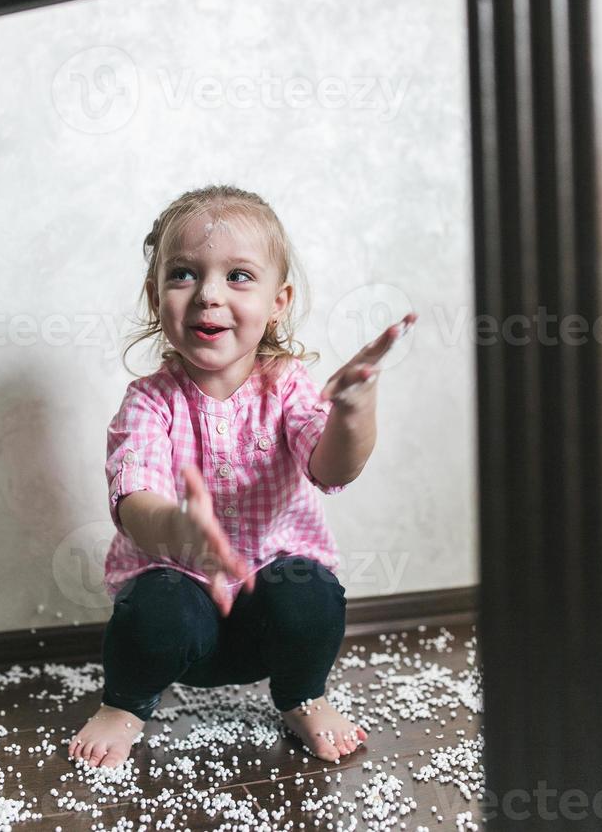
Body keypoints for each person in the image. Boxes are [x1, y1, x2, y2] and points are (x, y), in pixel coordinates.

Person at [68, 183, 417, 770]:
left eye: (237, 276)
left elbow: (332, 467)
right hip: (182, 621)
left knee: (311, 592)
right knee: (156, 604)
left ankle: (303, 694)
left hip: (268, 622)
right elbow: (133, 497)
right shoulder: (148, 403)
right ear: (156, 299)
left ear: (278, 302)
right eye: (182, 274)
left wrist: (354, 412)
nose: (207, 295)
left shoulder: (286, 387)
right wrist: (178, 527)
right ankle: (124, 705)